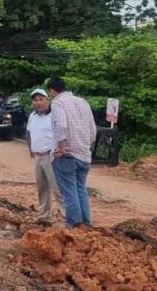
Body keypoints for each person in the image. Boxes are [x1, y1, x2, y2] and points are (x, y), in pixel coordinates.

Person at [47, 77, 98, 228]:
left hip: (68, 155)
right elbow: (92, 130)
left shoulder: (58, 102)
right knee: (81, 189)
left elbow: (61, 126)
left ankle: (75, 225)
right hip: (84, 154)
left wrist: (61, 148)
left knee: (69, 191)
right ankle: (86, 224)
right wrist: (86, 147)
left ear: (52, 90)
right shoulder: (82, 102)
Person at [25, 89, 60, 226]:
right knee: (42, 188)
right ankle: (44, 217)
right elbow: (28, 133)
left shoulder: (54, 116)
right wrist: (30, 150)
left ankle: (67, 218)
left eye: (41, 99)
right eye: (35, 100)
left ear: (47, 100)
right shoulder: (32, 116)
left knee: (57, 188)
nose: (38, 102)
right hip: (38, 156)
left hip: (51, 156)